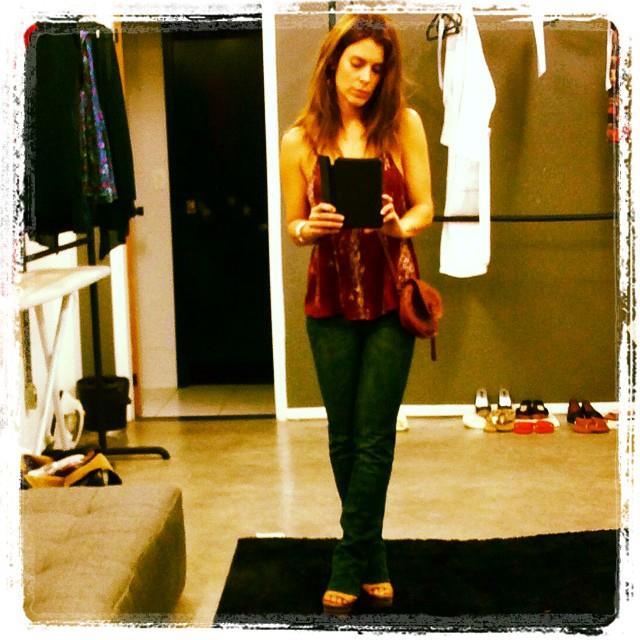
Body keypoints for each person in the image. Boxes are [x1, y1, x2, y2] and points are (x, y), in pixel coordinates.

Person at [280, 13, 434, 615]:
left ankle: (347, 559)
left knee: (374, 436)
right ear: (332, 63)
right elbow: (293, 226)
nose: (366, 78)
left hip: (393, 293)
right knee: (343, 437)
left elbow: (425, 208)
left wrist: (399, 225)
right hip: (330, 297)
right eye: (356, 64)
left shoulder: (403, 126)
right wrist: (309, 226)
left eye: (377, 68)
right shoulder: (299, 140)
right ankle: (374, 557)